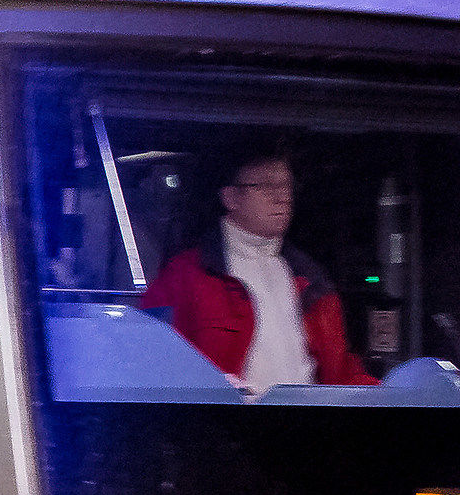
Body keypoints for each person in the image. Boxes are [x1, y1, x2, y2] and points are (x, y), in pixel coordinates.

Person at [137, 153, 375, 392]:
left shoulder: (312, 282)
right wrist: (208, 387)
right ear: (231, 198)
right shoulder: (183, 277)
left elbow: (342, 373)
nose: (282, 197)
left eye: (286, 185)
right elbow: (149, 365)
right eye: (265, 186)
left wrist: (388, 397)